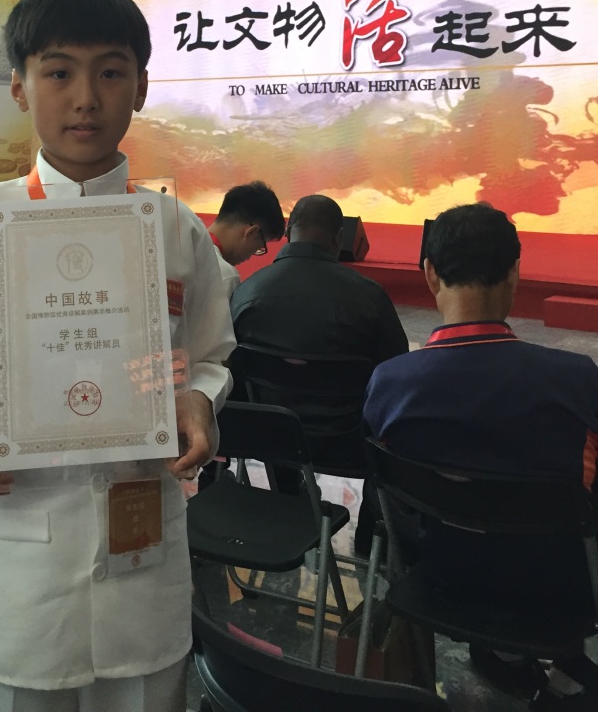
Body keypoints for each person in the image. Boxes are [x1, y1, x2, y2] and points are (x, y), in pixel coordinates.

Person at [0, 0, 235, 712]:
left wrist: (199, 399)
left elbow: (211, 353)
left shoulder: (173, 227)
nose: (86, 98)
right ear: (20, 87)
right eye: (58, 72)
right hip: (25, 545)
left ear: (140, 86)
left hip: (141, 534)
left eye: (111, 72)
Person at [364, 204, 598, 710]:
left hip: (440, 581)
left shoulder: (389, 384)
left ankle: (506, 659)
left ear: (430, 273)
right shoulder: (576, 380)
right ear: (514, 274)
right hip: (561, 594)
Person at [231, 193, 407, 553]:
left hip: (271, 440)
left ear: (288, 233)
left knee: (276, 405)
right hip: (353, 446)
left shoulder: (247, 292)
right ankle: (370, 536)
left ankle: (287, 498)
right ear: (339, 239)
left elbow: (231, 372)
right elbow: (397, 376)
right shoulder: (369, 298)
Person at [206, 181, 285, 300]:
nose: (249, 257)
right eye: (259, 247)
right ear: (252, 232)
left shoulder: (182, 245)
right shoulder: (225, 276)